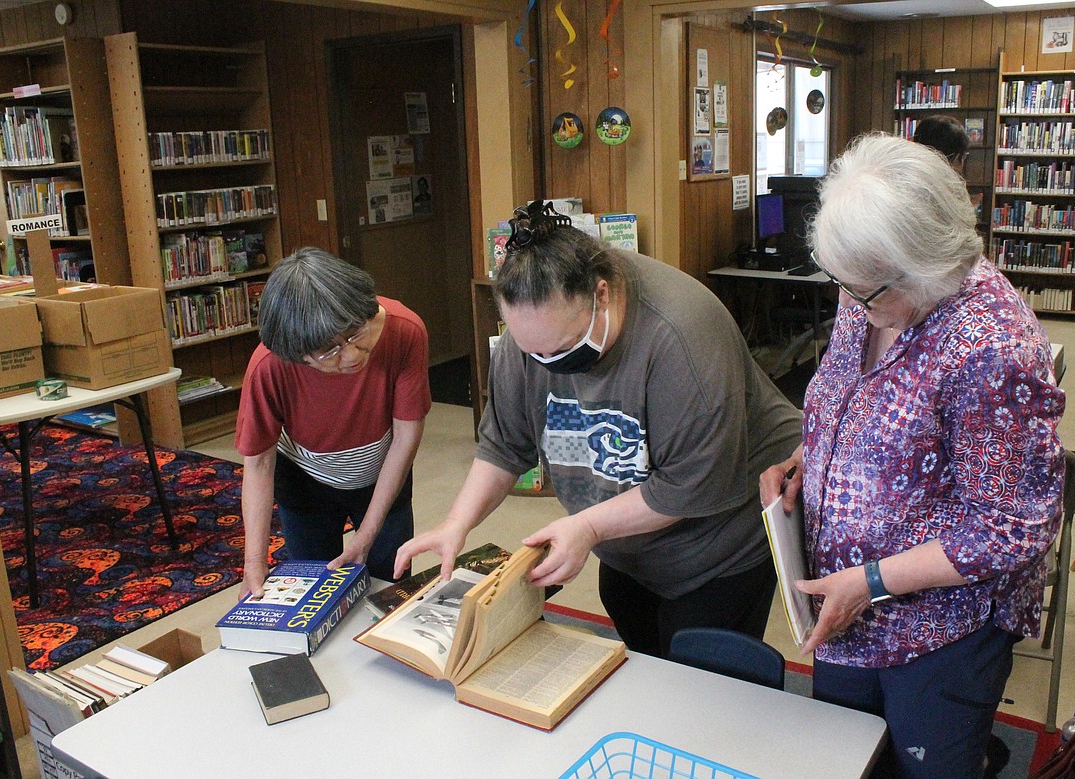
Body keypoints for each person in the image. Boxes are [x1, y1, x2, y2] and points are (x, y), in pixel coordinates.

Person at [759, 134, 1065, 779]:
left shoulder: (992, 348)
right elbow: (853, 401)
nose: (855, 308)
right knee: (847, 758)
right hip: (843, 609)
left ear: (922, 267)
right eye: (846, 287)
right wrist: (807, 459)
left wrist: (871, 583)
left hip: (936, 628)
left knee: (926, 764)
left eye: (865, 294)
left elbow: (1011, 529)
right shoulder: (869, 293)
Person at [395, 200, 802, 658]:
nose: (548, 362)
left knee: (699, 674)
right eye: (534, 352)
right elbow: (504, 444)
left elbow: (688, 488)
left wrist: (586, 526)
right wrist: (457, 523)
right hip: (625, 536)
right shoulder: (532, 329)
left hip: (718, 545)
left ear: (602, 294)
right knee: (639, 642)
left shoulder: (682, 335)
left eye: (563, 347)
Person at [235, 247, 431, 599]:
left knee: (389, 586)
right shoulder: (269, 366)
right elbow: (260, 464)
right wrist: (254, 563)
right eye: (330, 350)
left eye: (357, 333)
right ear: (297, 354)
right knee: (314, 590)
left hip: (384, 471)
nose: (352, 355)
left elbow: (405, 440)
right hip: (305, 480)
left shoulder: (404, 331)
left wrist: (368, 534)